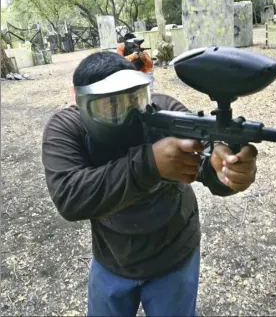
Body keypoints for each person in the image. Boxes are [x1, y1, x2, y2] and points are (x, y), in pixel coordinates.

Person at [41, 51, 258, 317]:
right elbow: (69, 196)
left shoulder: (162, 111)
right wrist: (150, 164)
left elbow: (205, 158)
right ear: (82, 102)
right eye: (109, 106)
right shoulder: (68, 127)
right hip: (112, 258)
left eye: (135, 99)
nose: (129, 114)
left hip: (175, 254)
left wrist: (227, 171)